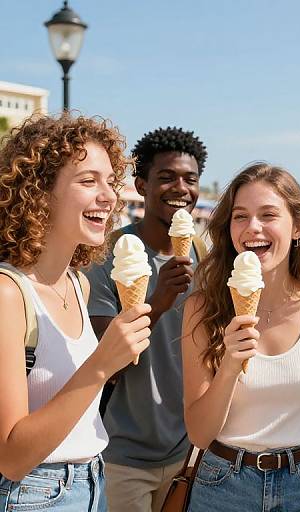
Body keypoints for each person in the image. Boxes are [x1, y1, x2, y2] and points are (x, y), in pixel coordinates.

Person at [0, 114, 151, 511]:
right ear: (39, 191)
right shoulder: (7, 295)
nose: (109, 196)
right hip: (33, 495)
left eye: (109, 181)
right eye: (88, 181)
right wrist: (102, 364)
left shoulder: (78, 284)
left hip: (93, 484)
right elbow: (12, 458)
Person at [182, 163, 300, 512]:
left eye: (268, 215)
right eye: (240, 216)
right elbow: (199, 434)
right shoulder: (203, 308)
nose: (252, 228)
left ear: (299, 228)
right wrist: (229, 366)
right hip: (223, 486)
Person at [86, 126, 208, 512]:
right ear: (141, 184)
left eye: (190, 179)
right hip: (121, 452)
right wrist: (159, 300)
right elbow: (107, 357)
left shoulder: (205, 256)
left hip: (188, 450)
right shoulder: (109, 254)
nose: (180, 188)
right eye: (166, 177)